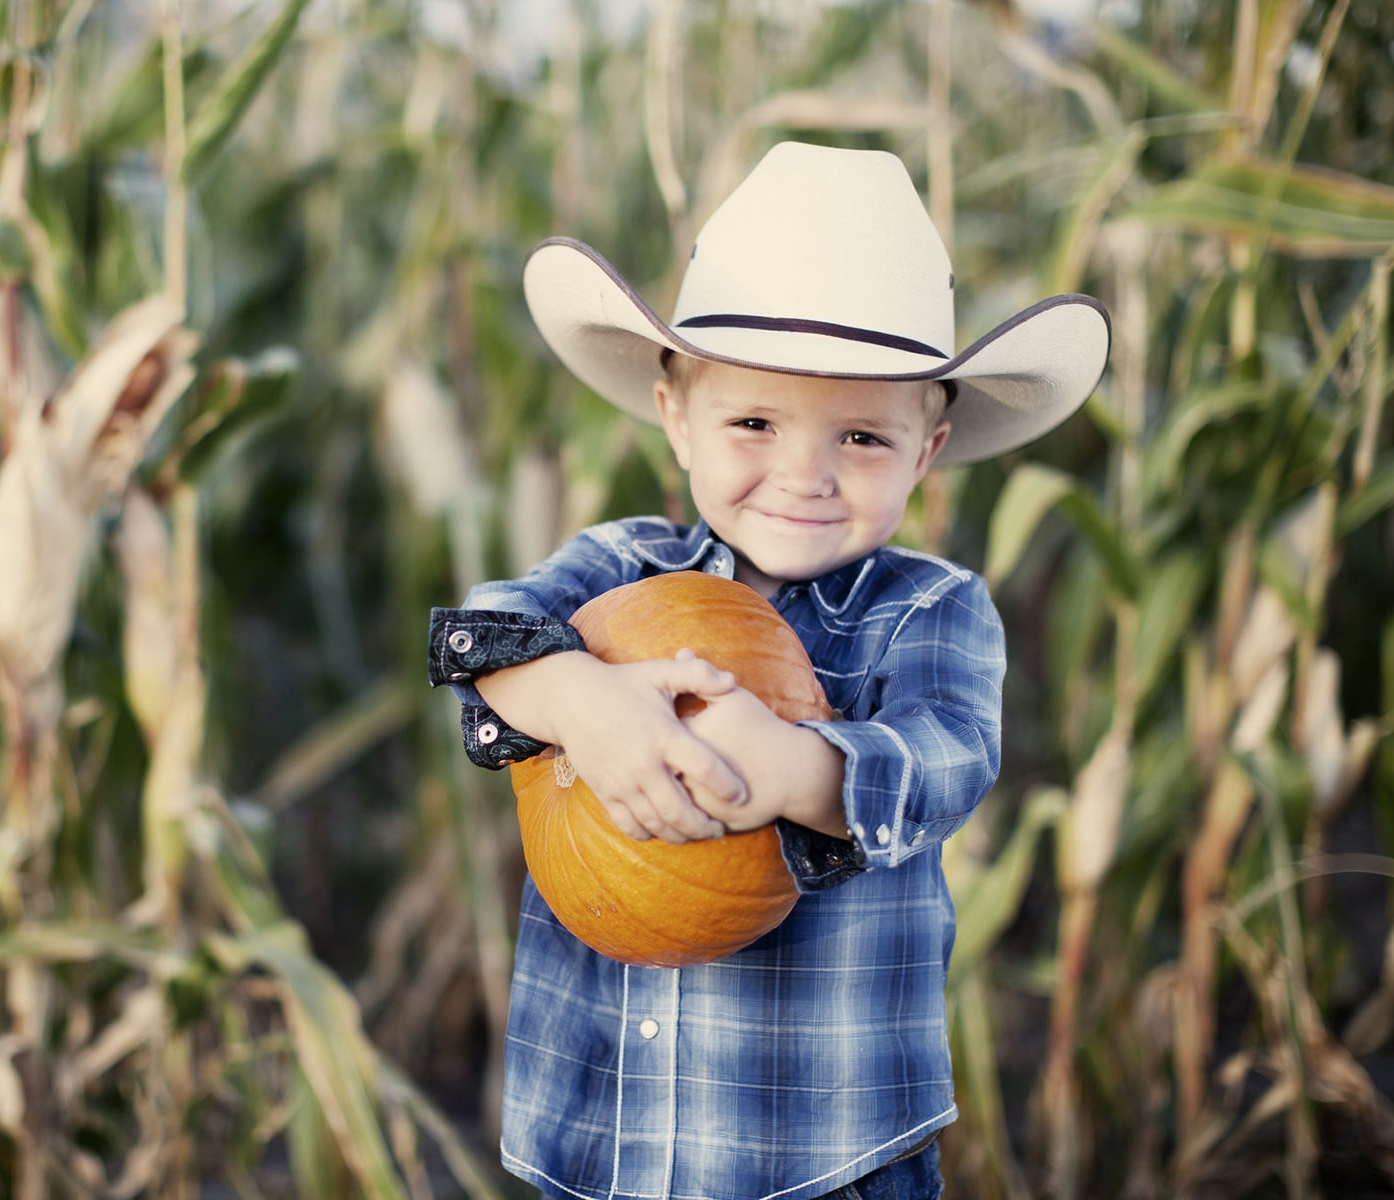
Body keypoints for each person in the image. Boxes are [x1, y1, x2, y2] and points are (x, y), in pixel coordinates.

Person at [427, 141, 1109, 1200]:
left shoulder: (929, 608)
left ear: (927, 451)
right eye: (754, 422)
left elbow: (948, 760)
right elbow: (484, 634)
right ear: (675, 416)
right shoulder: (621, 567)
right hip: (602, 1125)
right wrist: (585, 703)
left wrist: (788, 769)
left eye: (862, 440)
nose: (805, 476)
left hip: (822, 1151)